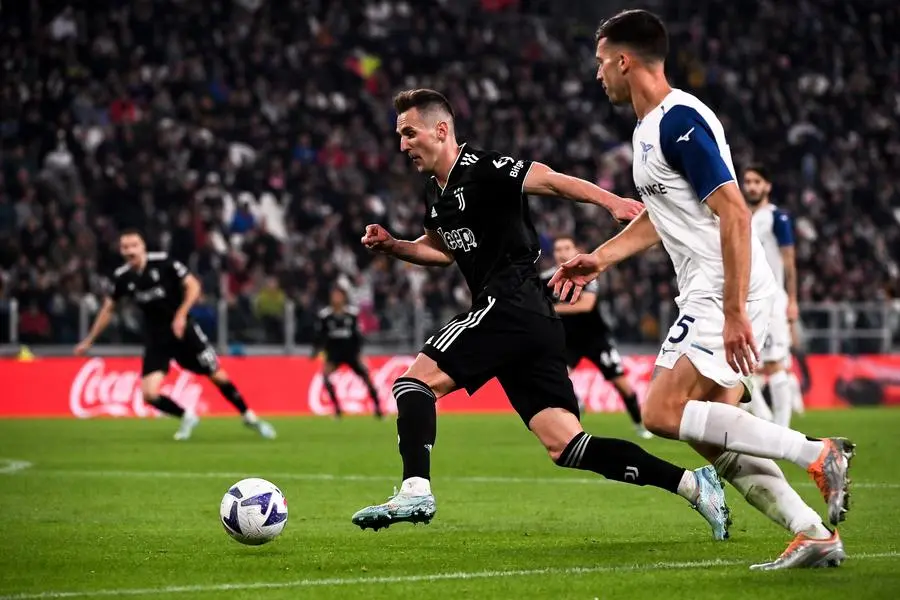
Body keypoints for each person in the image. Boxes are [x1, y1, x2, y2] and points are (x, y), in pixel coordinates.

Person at [350, 88, 731, 539]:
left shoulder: (482, 167)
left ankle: (415, 488)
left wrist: (610, 202)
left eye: (409, 133)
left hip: (509, 303)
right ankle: (693, 485)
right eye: (399, 136)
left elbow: (548, 179)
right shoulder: (436, 193)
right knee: (566, 445)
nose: (402, 145)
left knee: (414, 383)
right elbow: (439, 251)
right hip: (530, 319)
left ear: (441, 129)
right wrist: (395, 245)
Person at [549, 9, 854, 570]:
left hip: (723, 289)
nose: (597, 76)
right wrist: (602, 258)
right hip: (710, 290)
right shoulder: (646, 132)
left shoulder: (679, 120)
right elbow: (661, 217)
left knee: (662, 410)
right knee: (713, 438)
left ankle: (820, 453)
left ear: (624, 60)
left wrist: (735, 310)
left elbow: (734, 213)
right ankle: (813, 534)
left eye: (600, 63)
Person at [75, 229, 276, 441]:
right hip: (156, 338)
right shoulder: (122, 277)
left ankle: (249, 416)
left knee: (217, 375)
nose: (130, 250)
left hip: (184, 331)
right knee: (149, 394)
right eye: (125, 247)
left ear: (143, 247)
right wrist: (89, 340)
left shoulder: (163, 263)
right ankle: (187, 416)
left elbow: (193, 286)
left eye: (134, 245)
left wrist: (180, 315)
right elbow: (108, 309)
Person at [540, 235, 651, 439]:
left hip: (596, 339)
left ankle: (639, 425)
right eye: (558, 249)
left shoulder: (586, 274)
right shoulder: (545, 280)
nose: (562, 252)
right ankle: (575, 407)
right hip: (567, 341)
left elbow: (586, 305)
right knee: (556, 378)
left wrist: (552, 309)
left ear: (575, 251)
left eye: (566, 248)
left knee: (622, 385)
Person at [743, 165, 801, 427]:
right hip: (747, 300)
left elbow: (789, 261)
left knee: (776, 363)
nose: (752, 186)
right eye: (748, 181)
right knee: (746, 367)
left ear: (767, 186)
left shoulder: (777, 217)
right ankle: (766, 422)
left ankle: (783, 429)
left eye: (757, 181)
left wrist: (792, 300)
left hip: (774, 299)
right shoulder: (740, 216)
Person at [311, 286, 383, 419]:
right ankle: (337, 410)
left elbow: (358, 336)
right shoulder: (325, 316)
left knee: (366, 378)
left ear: (343, 297)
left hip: (351, 353)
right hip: (334, 354)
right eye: (334, 295)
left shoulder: (352, 314)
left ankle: (378, 409)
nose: (336, 298)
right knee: (326, 377)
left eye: (338, 295)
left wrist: (360, 353)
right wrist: (316, 351)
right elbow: (320, 336)